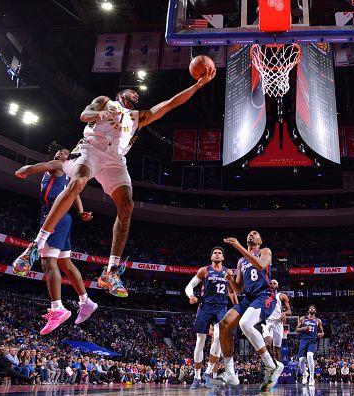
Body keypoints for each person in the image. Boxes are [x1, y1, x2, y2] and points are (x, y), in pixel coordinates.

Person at [13, 68, 216, 298]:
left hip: (115, 160)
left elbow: (170, 103)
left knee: (127, 205)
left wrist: (199, 85)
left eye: (138, 96)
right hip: (90, 150)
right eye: (133, 93)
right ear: (122, 94)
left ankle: (111, 271)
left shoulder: (139, 117)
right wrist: (100, 115)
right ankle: (35, 246)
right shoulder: (105, 101)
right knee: (78, 182)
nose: (137, 96)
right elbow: (84, 115)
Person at [13, 142, 98, 334]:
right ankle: (86, 301)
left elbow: (37, 167)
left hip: (54, 217)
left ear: (68, 158)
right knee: (65, 263)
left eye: (66, 152)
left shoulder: (57, 165)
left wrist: (24, 169)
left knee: (47, 262)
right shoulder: (68, 173)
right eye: (60, 150)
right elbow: (73, 192)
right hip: (64, 217)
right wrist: (82, 211)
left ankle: (57, 307)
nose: (61, 152)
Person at [212, 230, 284, 391]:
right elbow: (238, 289)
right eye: (249, 233)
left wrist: (238, 246)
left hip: (265, 295)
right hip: (249, 298)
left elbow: (260, 265)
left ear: (260, 240)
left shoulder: (265, 251)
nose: (251, 235)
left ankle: (270, 365)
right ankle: (230, 372)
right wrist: (230, 280)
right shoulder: (241, 262)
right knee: (223, 325)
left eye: (255, 233)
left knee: (245, 323)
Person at [184, 246, 238, 389]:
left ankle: (208, 373)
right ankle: (196, 377)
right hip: (205, 307)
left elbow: (232, 292)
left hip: (221, 307)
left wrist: (238, 307)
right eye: (215, 253)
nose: (217, 254)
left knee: (219, 338)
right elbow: (189, 286)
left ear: (223, 258)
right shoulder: (205, 270)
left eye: (220, 253)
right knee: (200, 342)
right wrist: (191, 296)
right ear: (211, 257)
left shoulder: (228, 272)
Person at [262, 279, 292, 360]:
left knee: (277, 349)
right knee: (267, 345)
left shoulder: (281, 296)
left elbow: (289, 311)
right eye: (270, 283)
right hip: (267, 322)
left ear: (277, 286)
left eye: (274, 283)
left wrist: (284, 313)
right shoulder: (263, 296)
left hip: (278, 322)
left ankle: (277, 368)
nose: (272, 284)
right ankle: (271, 363)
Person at [296, 304, 324, 386]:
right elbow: (297, 329)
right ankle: (305, 374)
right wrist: (303, 328)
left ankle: (312, 377)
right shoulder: (302, 318)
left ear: (315, 311)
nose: (312, 308)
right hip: (303, 340)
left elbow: (322, 332)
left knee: (309, 356)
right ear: (308, 310)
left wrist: (321, 334)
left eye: (313, 308)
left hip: (313, 340)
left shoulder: (318, 320)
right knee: (301, 360)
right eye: (310, 308)